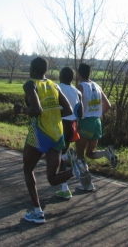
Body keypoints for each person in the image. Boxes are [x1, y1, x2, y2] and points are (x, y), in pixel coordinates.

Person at [15, 57, 89, 223]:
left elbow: (36, 109)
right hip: (57, 134)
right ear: (45, 70)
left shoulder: (30, 84)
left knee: (28, 170)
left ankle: (37, 212)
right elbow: (68, 109)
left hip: (39, 134)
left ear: (33, 68)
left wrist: (22, 111)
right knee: (52, 178)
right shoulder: (53, 85)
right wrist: (53, 114)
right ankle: (75, 171)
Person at [70, 63, 118, 192]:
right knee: (90, 153)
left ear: (79, 74)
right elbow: (107, 105)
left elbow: (74, 106)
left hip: (85, 122)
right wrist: (97, 113)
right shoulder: (97, 86)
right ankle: (106, 153)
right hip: (97, 122)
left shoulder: (80, 87)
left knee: (80, 156)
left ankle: (87, 184)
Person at [55, 67, 83, 199]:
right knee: (61, 154)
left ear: (60, 76)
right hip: (72, 125)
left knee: (58, 156)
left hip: (60, 125)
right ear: (72, 78)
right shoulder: (77, 92)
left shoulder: (56, 88)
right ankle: (64, 187)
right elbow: (80, 113)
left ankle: (65, 188)